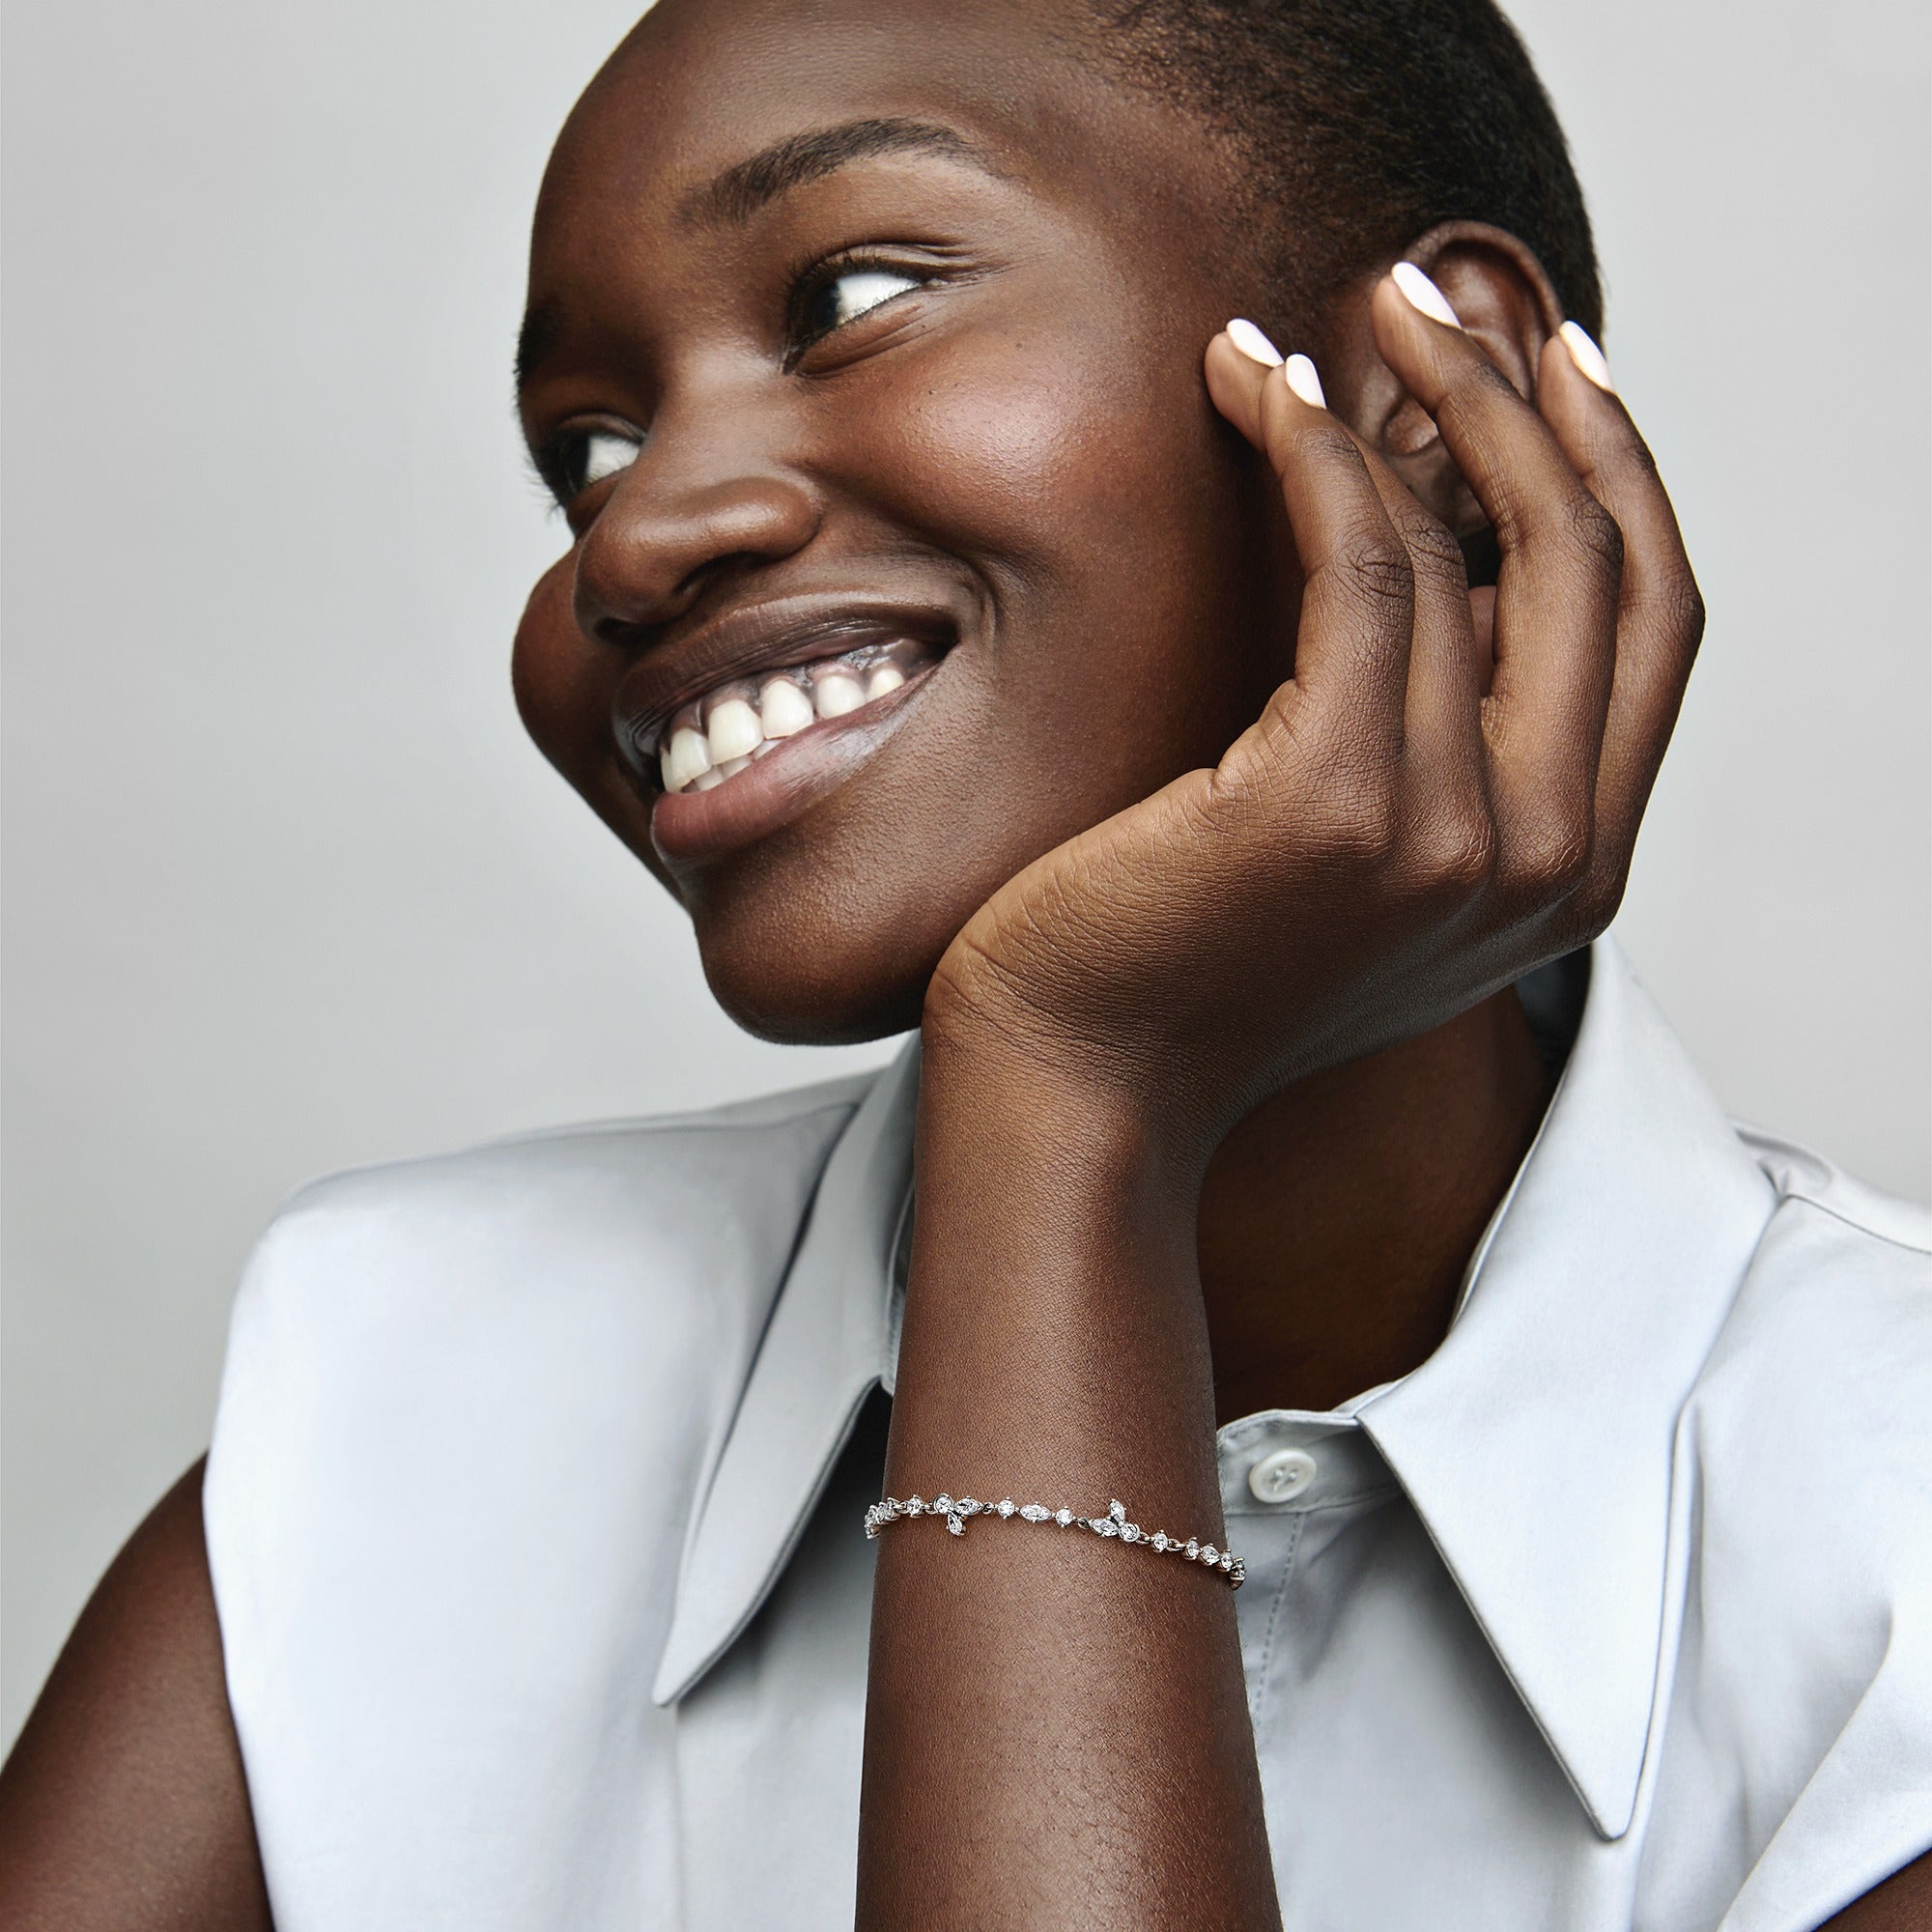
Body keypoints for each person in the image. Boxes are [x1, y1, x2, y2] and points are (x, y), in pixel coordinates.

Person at [2, 0, 1927, 1925]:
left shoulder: (1887, 1547)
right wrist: (1063, 1101)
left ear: (1432, 381)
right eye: (587, 447)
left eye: (847, 296)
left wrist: (1067, 1093)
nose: (635, 539)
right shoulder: (403, 1400)